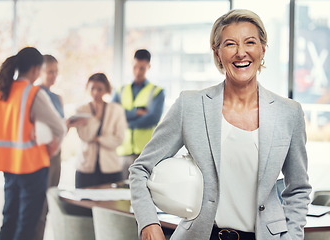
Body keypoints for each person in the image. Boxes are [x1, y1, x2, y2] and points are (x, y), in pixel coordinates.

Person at [129, 9, 312, 240]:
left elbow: (298, 189)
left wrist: (292, 237)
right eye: (230, 44)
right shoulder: (190, 105)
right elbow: (140, 169)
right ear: (217, 53)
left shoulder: (289, 113)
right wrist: (148, 223)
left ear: (263, 49)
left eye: (250, 42)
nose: (241, 52)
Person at [0, 47, 66, 240]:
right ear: (36, 69)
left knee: (9, 219)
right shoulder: (33, 93)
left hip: (9, 166)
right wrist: (53, 147)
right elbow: (60, 128)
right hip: (32, 167)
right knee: (27, 225)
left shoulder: (3, 91)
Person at [113, 49, 165, 179]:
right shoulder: (120, 90)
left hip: (145, 154)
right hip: (122, 152)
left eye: (142, 68)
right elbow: (113, 114)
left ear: (148, 67)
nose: (137, 72)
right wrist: (136, 112)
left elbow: (152, 119)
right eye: (135, 67)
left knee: (142, 194)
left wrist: (124, 122)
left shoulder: (157, 92)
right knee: (120, 194)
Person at [74, 73, 127, 188]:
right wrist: (96, 118)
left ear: (106, 90)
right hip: (85, 168)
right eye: (92, 88)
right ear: (88, 88)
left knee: (110, 204)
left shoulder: (116, 110)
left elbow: (118, 139)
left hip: (111, 168)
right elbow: (85, 136)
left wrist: (97, 139)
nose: (95, 93)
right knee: (84, 203)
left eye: (100, 89)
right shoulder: (81, 110)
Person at [34, 54, 64, 240]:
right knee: (37, 206)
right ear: (40, 72)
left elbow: (59, 126)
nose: (53, 75)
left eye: (56, 72)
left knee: (47, 204)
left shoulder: (57, 97)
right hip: (41, 155)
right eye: (49, 71)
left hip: (56, 156)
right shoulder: (36, 94)